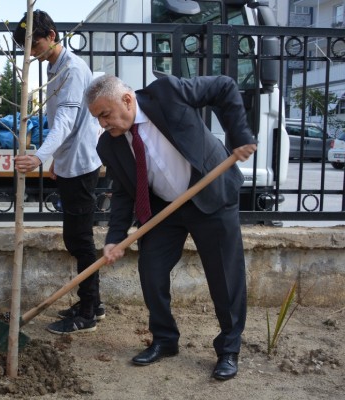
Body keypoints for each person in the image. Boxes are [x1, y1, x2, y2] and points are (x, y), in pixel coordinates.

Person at [86, 74, 256, 380]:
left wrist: (239, 134)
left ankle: (228, 348)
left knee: (224, 277)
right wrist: (115, 238)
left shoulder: (167, 93)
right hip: (164, 209)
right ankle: (165, 339)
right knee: (151, 270)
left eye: (104, 114)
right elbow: (125, 192)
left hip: (210, 194)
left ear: (126, 100)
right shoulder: (108, 146)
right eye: (97, 118)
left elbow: (224, 87)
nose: (102, 123)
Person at [13, 10, 105, 334]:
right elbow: (67, 123)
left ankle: (89, 311)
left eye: (34, 43)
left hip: (81, 164)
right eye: (25, 46)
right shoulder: (55, 67)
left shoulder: (73, 69)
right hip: (69, 163)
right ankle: (92, 301)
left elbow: (67, 121)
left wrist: (39, 156)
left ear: (51, 35)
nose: (30, 51)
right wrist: (56, 160)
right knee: (76, 238)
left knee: (79, 239)